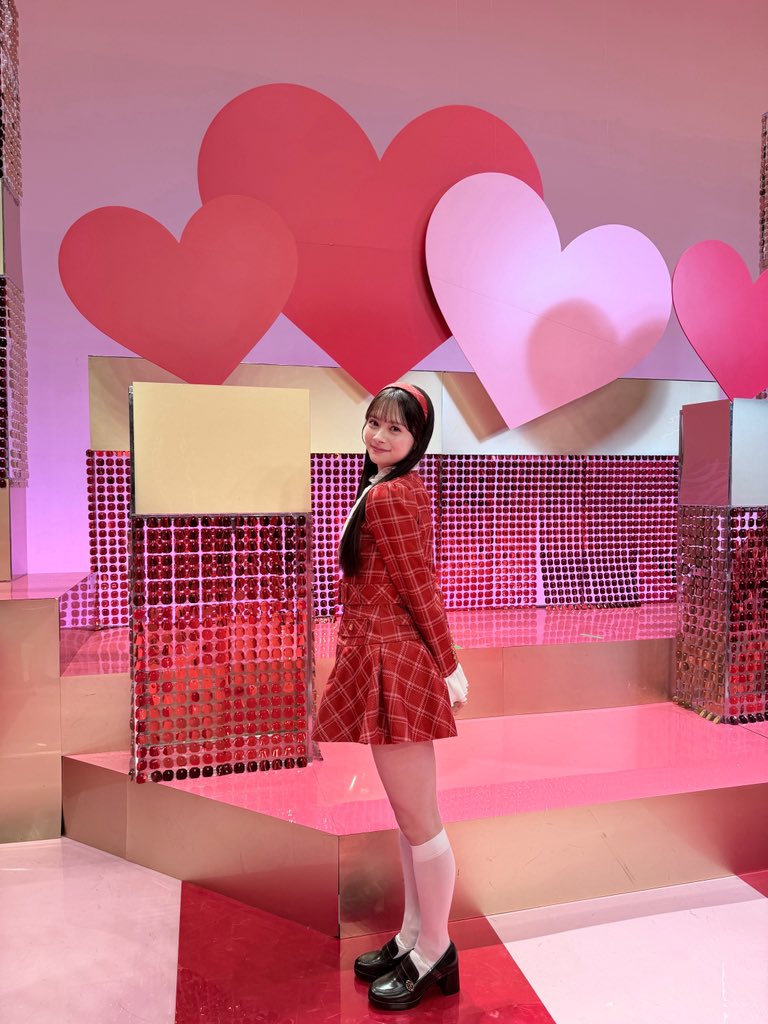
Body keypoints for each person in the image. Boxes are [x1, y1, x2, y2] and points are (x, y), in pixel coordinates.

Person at [314, 382, 469, 1012]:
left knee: (420, 819)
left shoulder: (392, 495)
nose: (379, 436)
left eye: (395, 429)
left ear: (416, 440)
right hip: (382, 654)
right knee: (410, 817)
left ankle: (436, 950)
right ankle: (412, 936)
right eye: (373, 423)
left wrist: (449, 663)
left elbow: (419, 585)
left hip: (395, 662)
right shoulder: (383, 486)